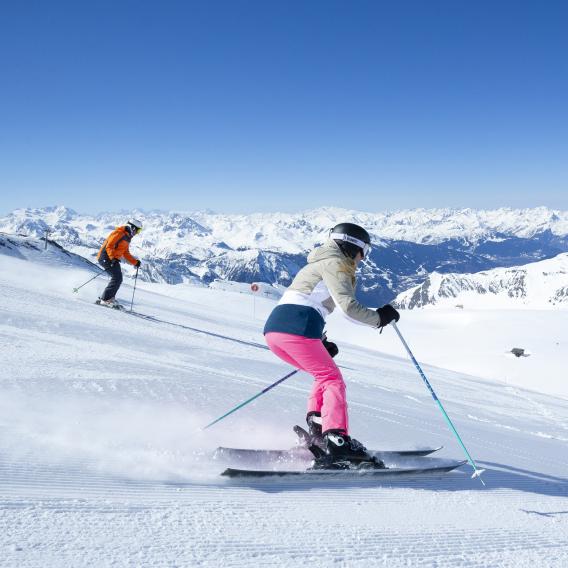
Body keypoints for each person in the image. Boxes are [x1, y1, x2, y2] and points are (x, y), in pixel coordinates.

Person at [263, 222, 400, 469]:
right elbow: (348, 308)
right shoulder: (336, 264)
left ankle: (318, 431)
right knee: (333, 379)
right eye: (363, 251)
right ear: (351, 246)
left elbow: (303, 299)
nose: (363, 258)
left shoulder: (318, 263)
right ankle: (337, 441)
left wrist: (320, 342)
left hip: (276, 331)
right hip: (297, 327)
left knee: (323, 375)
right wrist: (379, 318)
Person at [96, 219, 143, 307]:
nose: (138, 233)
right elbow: (109, 246)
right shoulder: (119, 233)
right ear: (133, 228)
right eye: (138, 230)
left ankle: (109, 298)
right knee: (116, 278)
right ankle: (105, 299)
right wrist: (112, 258)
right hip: (105, 257)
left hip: (113, 259)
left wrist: (135, 262)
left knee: (118, 278)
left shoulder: (127, 237)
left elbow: (125, 252)